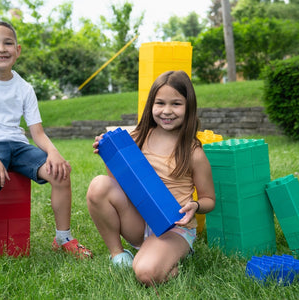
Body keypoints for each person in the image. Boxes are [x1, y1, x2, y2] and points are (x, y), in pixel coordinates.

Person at [0, 21, 92, 270]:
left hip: (18, 145)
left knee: (61, 173)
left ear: (18, 50)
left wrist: (53, 152)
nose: (1, 48)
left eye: (8, 43)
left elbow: (38, 133)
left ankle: (63, 239)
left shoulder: (24, 87)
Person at [86, 70, 215, 286]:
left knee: (146, 274)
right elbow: (119, 184)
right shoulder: (138, 137)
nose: (167, 111)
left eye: (176, 104)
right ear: (151, 105)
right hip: (139, 220)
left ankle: (169, 256)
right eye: (160, 103)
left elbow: (209, 199)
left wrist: (195, 205)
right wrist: (110, 154)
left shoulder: (193, 152)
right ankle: (118, 255)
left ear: (189, 106)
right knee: (99, 185)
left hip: (174, 227)